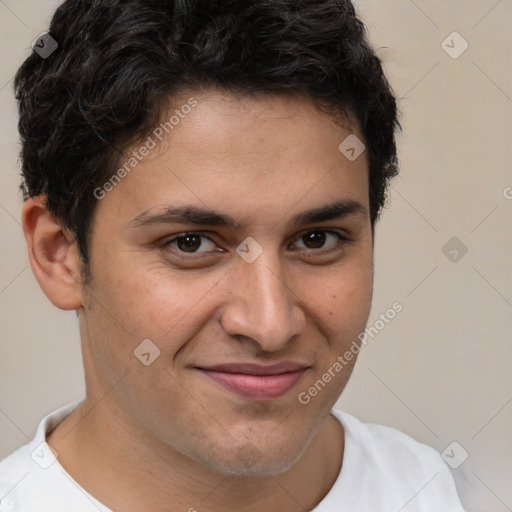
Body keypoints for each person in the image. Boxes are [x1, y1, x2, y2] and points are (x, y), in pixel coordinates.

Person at [0, 0, 466, 510]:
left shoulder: (425, 488)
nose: (271, 324)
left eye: (317, 239)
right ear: (59, 254)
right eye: (191, 243)